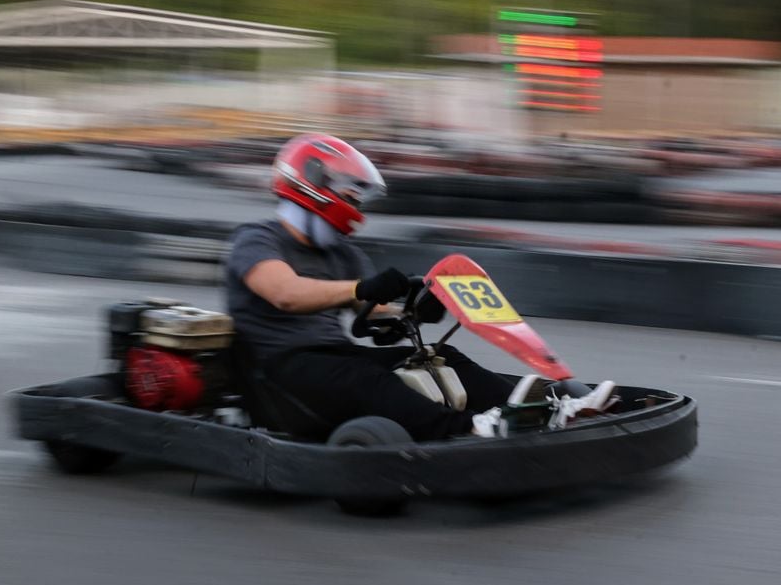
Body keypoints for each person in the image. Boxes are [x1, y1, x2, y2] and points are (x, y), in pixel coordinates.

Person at [224, 133, 615, 440]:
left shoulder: (341, 254)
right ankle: (468, 431)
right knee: (370, 379)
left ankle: (535, 410)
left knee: (440, 358)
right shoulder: (257, 239)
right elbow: (286, 294)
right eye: (348, 188)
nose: (356, 200)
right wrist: (362, 289)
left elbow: (372, 314)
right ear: (311, 182)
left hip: (331, 359)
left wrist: (410, 310)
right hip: (276, 371)